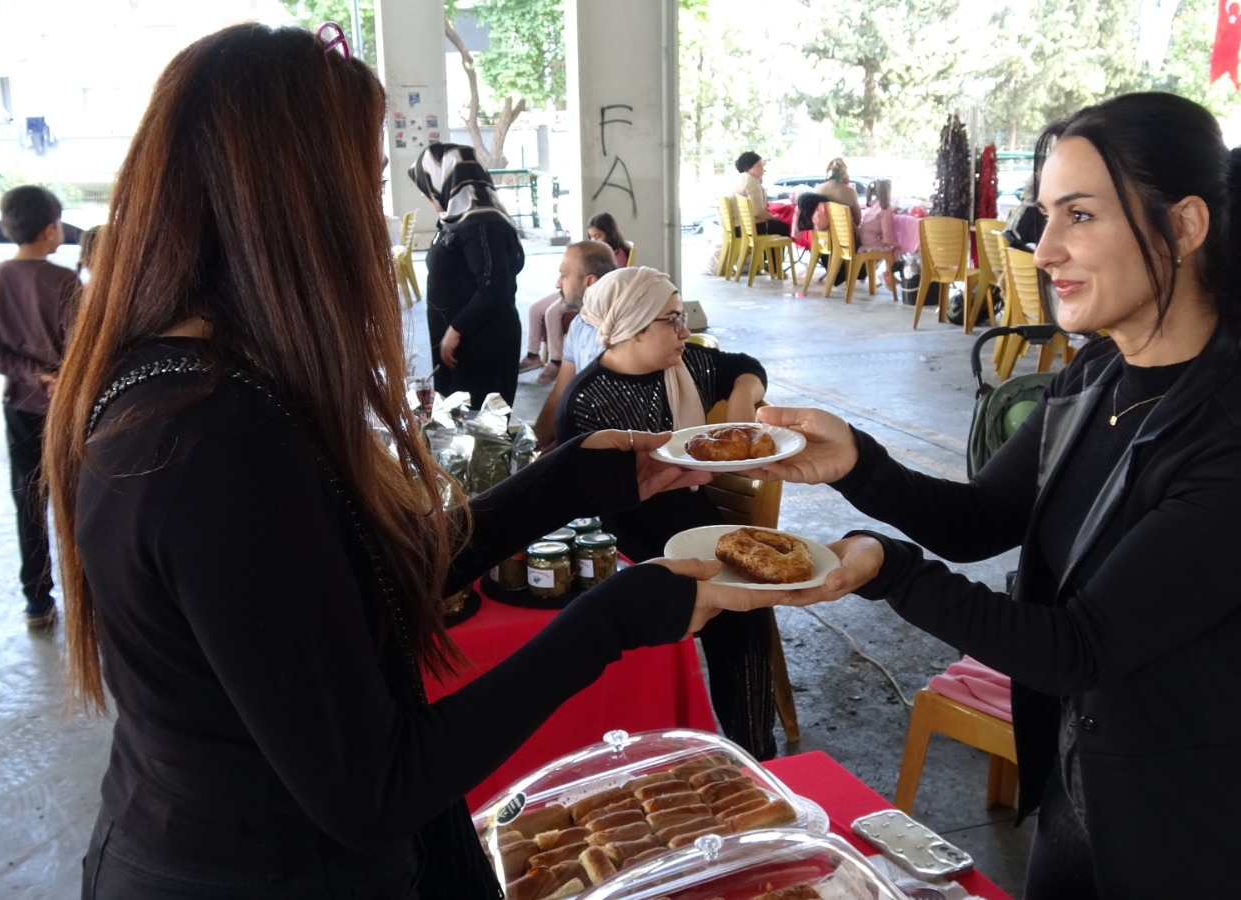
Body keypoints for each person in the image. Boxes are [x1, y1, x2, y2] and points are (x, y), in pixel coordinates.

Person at [42, 25, 785, 899]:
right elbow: (375, 787)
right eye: (363, 189)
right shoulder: (213, 441)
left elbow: (364, 581)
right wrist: (615, 617)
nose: (376, 225)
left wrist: (578, 474)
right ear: (289, 208)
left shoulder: (195, 381)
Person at [757, 92, 1241, 897]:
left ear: (1184, 227)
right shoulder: (1097, 378)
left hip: (1199, 838)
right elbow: (978, 521)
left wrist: (888, 569)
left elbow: (1077, 648)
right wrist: (857, 464)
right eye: (1045, 214)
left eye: (1080, 215)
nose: (1044, 249)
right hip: (1081, 793)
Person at [554, 266, 778, 760]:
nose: (684, 330)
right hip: (623, 536)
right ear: (632, 326)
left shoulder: (686, 365)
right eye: (672, 320)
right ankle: (664, 752)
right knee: (691, 595)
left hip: (692, 517)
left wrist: (743, 399)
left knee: (745, 599)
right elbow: (592, 506)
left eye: (682, 317)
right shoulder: (588, 401)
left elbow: (744, 365)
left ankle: (756, 752)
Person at [0, 185, 80, 629]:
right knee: (79, 501)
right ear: (51, 230)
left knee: (29, 502)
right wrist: (57, 377)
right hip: (66, 412)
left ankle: (37, 599)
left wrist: (33, 375)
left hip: (19, 408)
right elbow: (86, 347)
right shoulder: (65, 283)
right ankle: (91, 593)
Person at [410, 142, 525, 406]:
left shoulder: (482, 224)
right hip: (464, 345)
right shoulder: (457, 219)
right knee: (456, 420)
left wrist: (455, 330)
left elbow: (495, 285)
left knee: (479, 423)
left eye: (426, 186)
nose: (423, 195)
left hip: (482, 344)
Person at [520, 214, 626, 385]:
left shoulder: (615, 256)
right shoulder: (578, 326)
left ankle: (555, 360)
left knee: (552, 312)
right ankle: (533, 355)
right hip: (579, 288)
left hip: (584, 291)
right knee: (535, 309)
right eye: (591, 236)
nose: (594, 240)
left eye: (598, 236)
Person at [531, 240, 617, 450]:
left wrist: (559, 452)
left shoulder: (616, 335)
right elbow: (561, 393)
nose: (557, 283)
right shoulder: (580, 323)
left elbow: (608, 416)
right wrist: (533, 447)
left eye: (564, 275)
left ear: (590, 282)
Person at [855, 178, 902, 289]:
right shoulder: (886, 208)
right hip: (872, 243)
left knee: (889, 245)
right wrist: (892, 242)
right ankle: (888, 274)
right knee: (895, 247)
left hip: (864, 240)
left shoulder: (872, 204)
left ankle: (877, 271)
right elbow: (886, 232)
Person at [734, 152, 791, 237]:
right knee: (782, 227)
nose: (763, 169)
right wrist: (772, 217)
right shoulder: (751, 182)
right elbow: (758, 211)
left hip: (736, 227)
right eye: (759, 166)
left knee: (776, 225)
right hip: (748, 229)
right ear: (749, 168)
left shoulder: (739, 179)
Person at [814, 156, 861, 227]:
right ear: (844, 173)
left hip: (824, 232)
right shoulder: (851, 192)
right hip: (846, 232)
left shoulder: (818, 189)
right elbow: (858, 220)